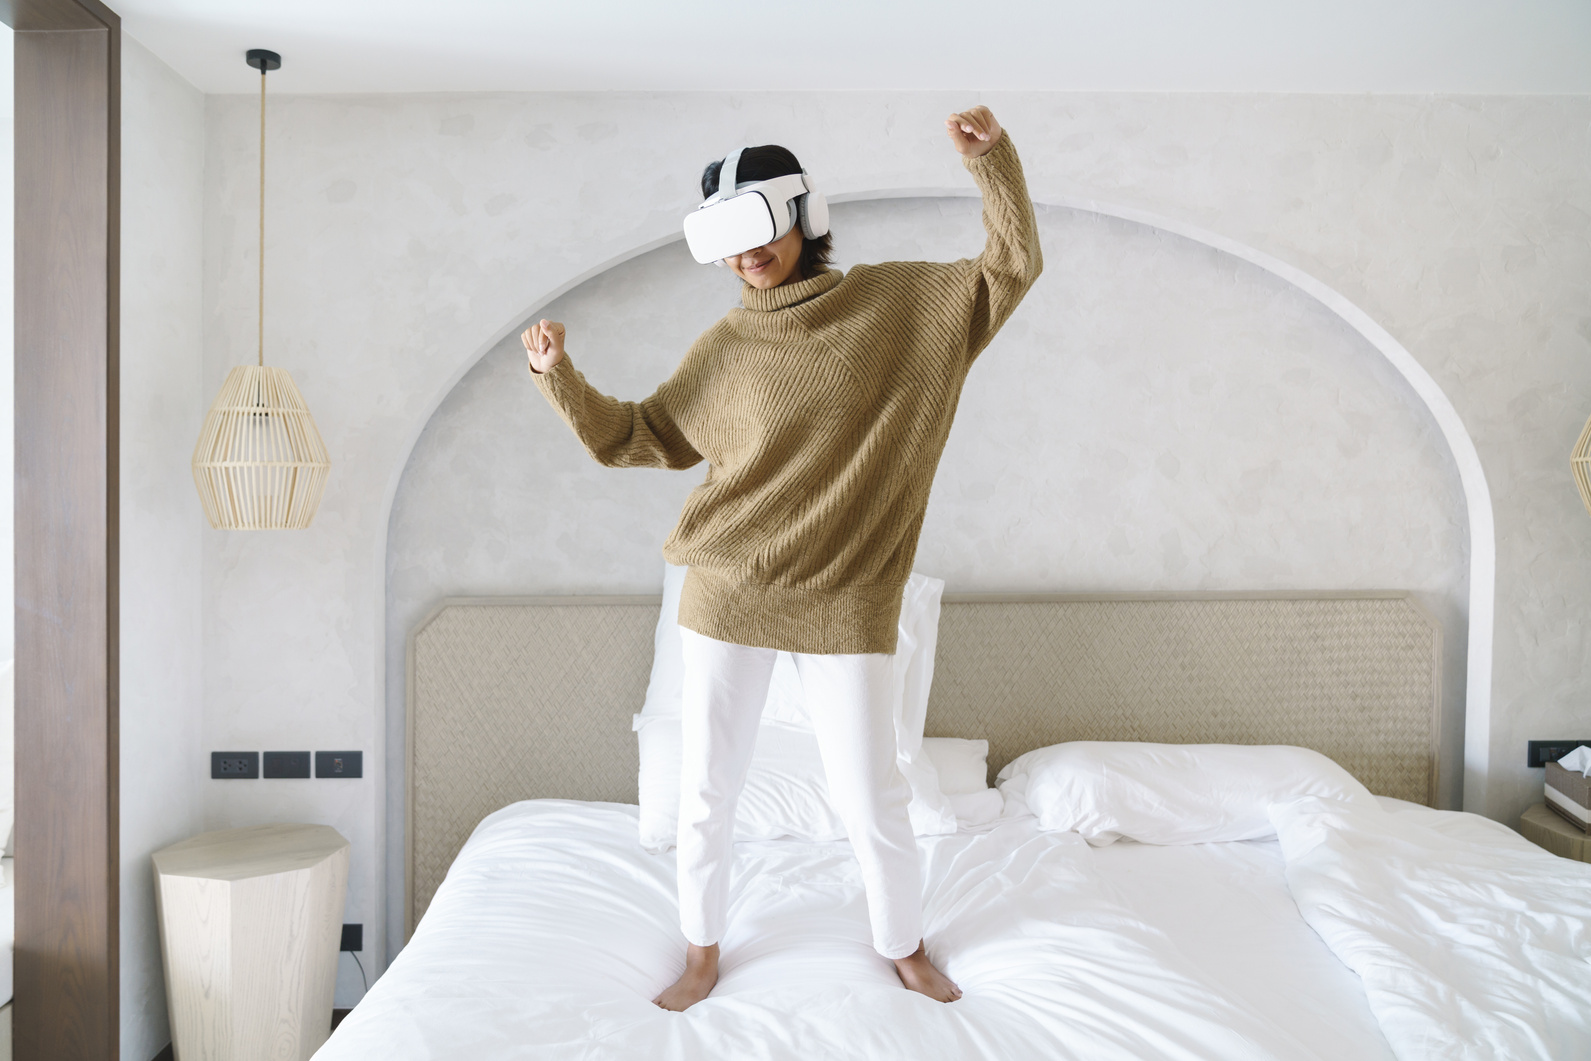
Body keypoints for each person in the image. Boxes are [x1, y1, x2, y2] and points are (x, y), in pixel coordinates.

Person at [522, 106, 1041, 1012]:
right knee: (707, 792)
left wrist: (992, 165)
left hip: (845, 595)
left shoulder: (897, 305)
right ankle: (699, 952)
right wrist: (558, 377)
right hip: (726, 586)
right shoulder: (726, 347)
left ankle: (902, 943)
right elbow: (638, 437)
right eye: (722, 238)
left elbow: (1009, 267)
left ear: (804, 214)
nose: (744, 253)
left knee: (871, 790)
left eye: (756, 226)